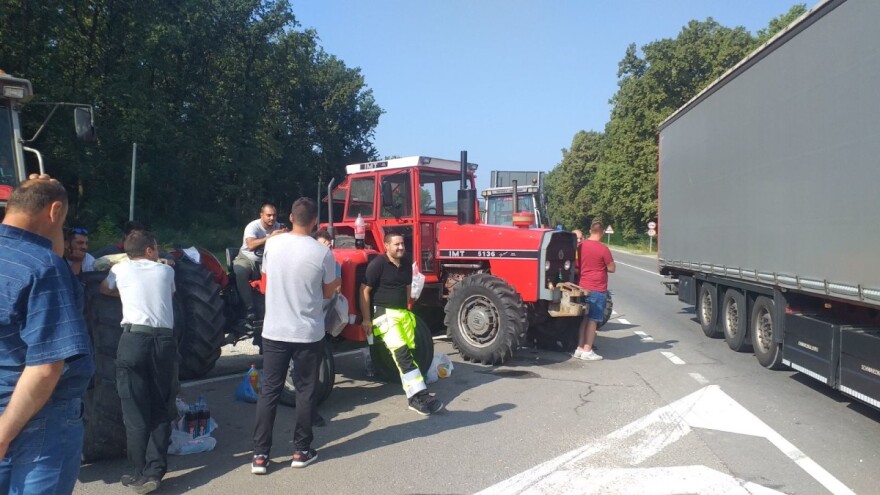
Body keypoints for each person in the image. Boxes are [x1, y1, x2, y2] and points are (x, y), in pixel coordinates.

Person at [0, 176, 95, 494]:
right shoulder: (46, 269)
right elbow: (45, 367)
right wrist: (4, 433)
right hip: (40, 415)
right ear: (55, 212)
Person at [251, 198, 340, 475]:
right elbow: (328, 293)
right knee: (305, 391)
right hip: (307, 333)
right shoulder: (323, 254)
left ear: (290, 217)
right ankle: (301, 450)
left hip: (275, 330)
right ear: (315, 222)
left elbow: (264, 285)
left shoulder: (273, 244)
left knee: (270, 391)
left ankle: (260, 456)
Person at [100, 230, 177, 494]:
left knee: (134, 410)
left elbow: (104, 288)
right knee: (160, 407)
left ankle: (137, 473)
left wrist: (123, 291)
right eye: (156, 248)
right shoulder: (167, 272)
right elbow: (168, 293)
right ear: (148, 250)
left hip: (133, 339)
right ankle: (155, 472)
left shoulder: (119, 270)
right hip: (164, 343)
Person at [360, 232, 444, 416]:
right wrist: (367, 319)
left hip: (402, 315)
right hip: (384, 316)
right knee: (402, 354)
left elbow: (407, 288)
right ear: (386, 246)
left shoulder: (406, 264)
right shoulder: (378, 265)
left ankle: (415, 396)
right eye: (396, 244)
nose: (400, 247)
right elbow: (364, 291)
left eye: (402, 244)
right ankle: (420, 396)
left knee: (408, 354)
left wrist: (408, 306)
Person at [234, 203, 287, 321]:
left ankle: (282, 306)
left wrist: (287, 235)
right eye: (268, 215)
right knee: (240, 272)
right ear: (261, 215)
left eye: (274, 215)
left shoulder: (280, 227)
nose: (272, 218)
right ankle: (249, 307)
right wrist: (270, 237)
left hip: (268, 260)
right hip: (248, 258)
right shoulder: (253, 227)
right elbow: (251, 245)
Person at [575, 220, 616, 361]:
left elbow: (577, 265)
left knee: (585, 318)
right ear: (603, 232)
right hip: (597, 287)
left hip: (583, 286)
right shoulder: (603, 249)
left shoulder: (581, 246)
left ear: (590, 231)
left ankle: (579, 348)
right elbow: (612, 268)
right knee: (593, 320)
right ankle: (588, 350)